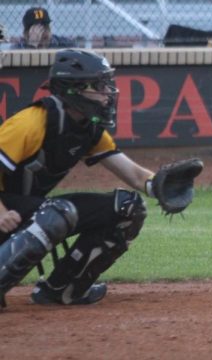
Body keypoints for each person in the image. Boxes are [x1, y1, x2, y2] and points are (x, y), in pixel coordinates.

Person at [0, 50, 156, 307]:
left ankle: (63, 290)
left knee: (129, 207)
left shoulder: (88, 128)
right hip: (5, 211)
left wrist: (158, 184)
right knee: (58, 213)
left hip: (21, 212)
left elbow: (135, 175)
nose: (108, 93)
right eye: (99, 86)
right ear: (75, 89)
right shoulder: (32, 122)